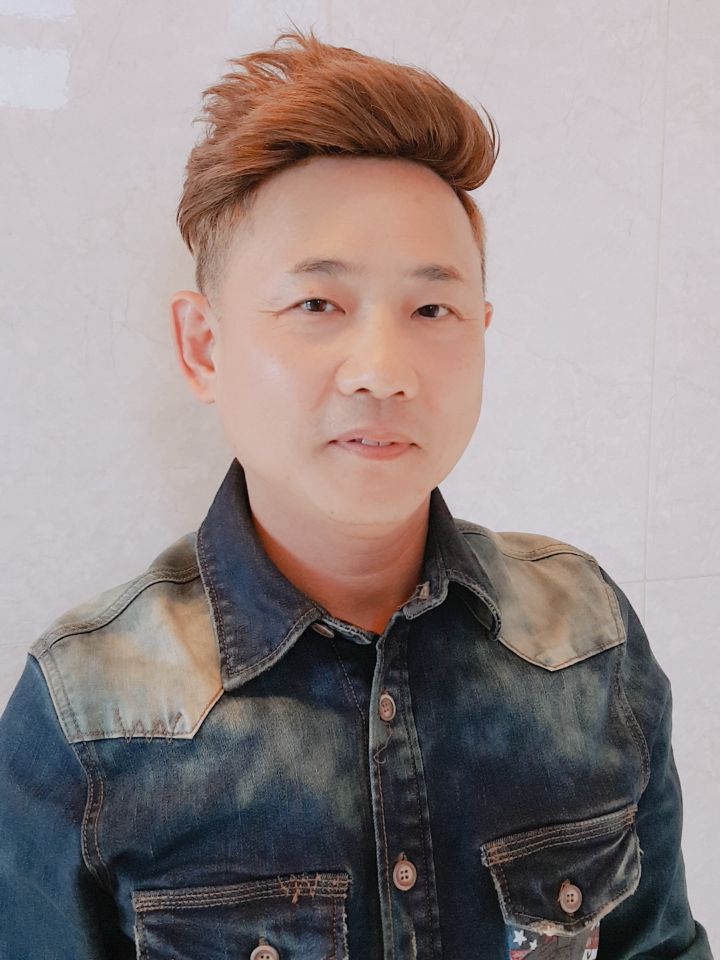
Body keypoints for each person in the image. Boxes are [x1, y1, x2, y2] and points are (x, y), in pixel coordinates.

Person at [0, 25, 712, 960]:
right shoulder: (88, 711)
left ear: (482, 332)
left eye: (432, 309)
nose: (383, 370)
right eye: (317, 304)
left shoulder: (590, 639)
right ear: (203, 347)